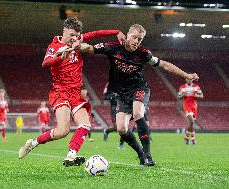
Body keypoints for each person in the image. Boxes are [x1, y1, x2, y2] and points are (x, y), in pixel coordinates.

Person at [77, 24, 199, 166]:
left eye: (139, 39)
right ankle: (140, 154)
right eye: (134, 37)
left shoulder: (143, 53)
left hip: (139, 88)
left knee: (138, 113)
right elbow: (89, 48)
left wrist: (186, 75)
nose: (136, 41)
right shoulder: (113, 47)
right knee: (121, 129)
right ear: (127, 35)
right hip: (122, 95)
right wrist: (75, 45)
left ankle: (148, 155)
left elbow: (164, 65)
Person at [18, 17, 125, 167]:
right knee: (63, 131)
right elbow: (45, 63)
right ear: (64, 31)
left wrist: (116, 32)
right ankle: (33, 143)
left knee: (85, 125)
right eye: (72, 34)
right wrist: (60, 57)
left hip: (75, 93)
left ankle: (71, 155)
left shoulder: (77, 40)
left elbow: (95, 34)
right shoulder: (54, 46)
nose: (74, 38)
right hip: (60, 91)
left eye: (76, 35)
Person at [178, 79, 203, 145]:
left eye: (190, 79)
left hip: (194, 106)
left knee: (191, 123)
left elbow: (201, 95)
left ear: (192, 79)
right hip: (186, 106)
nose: (189, 80)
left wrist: (196, 96)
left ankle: (186, 137)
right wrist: (183, 95)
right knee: (191, 121)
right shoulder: (182, 87)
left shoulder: (196, 86)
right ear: (186, 79)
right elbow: (179, 96)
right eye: (188, 79)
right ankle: (193, 138)